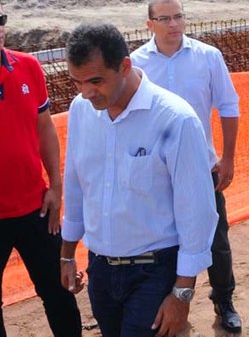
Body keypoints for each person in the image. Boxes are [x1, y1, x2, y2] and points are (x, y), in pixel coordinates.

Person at [61, 23, 218, 337]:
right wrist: (66, 254)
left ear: (125, 66)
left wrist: (182, 293)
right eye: (77, 82)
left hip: (155, 272)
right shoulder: (81, 111)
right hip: (101, 270)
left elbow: (196, 211)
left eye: (95, 80)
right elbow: (76, 186)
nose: (86, 92)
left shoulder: (175, 119)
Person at [130, 0, 242, 333]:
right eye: (165, 19)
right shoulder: (135, 64)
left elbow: (229, 106)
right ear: (149, 24)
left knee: (216, 239)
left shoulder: (208, 57)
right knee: (162, 243)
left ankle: (224, 301)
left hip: (202, 170)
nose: (174, 24)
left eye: (178, 16)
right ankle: (168, 304)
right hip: (154, 175)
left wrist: (229, 158)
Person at [0, 3, 82, 336]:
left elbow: (45, 128)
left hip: (36, 207)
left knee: (58, 291)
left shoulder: (28, 66)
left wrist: (56, 186)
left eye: (0, 20)